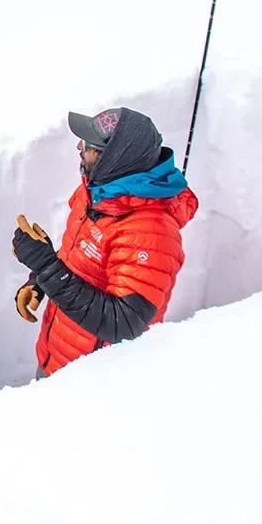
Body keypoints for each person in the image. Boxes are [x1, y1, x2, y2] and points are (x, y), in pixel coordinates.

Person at [12, 107, 198, 378]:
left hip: (95, 382)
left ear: (110, 159)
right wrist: (40, 279)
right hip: (60, 356)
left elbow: (124, 323)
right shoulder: (96, 193)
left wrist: (46, 266)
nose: (79, 147)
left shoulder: (151, 233)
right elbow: (83, 261)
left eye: (87, 145)